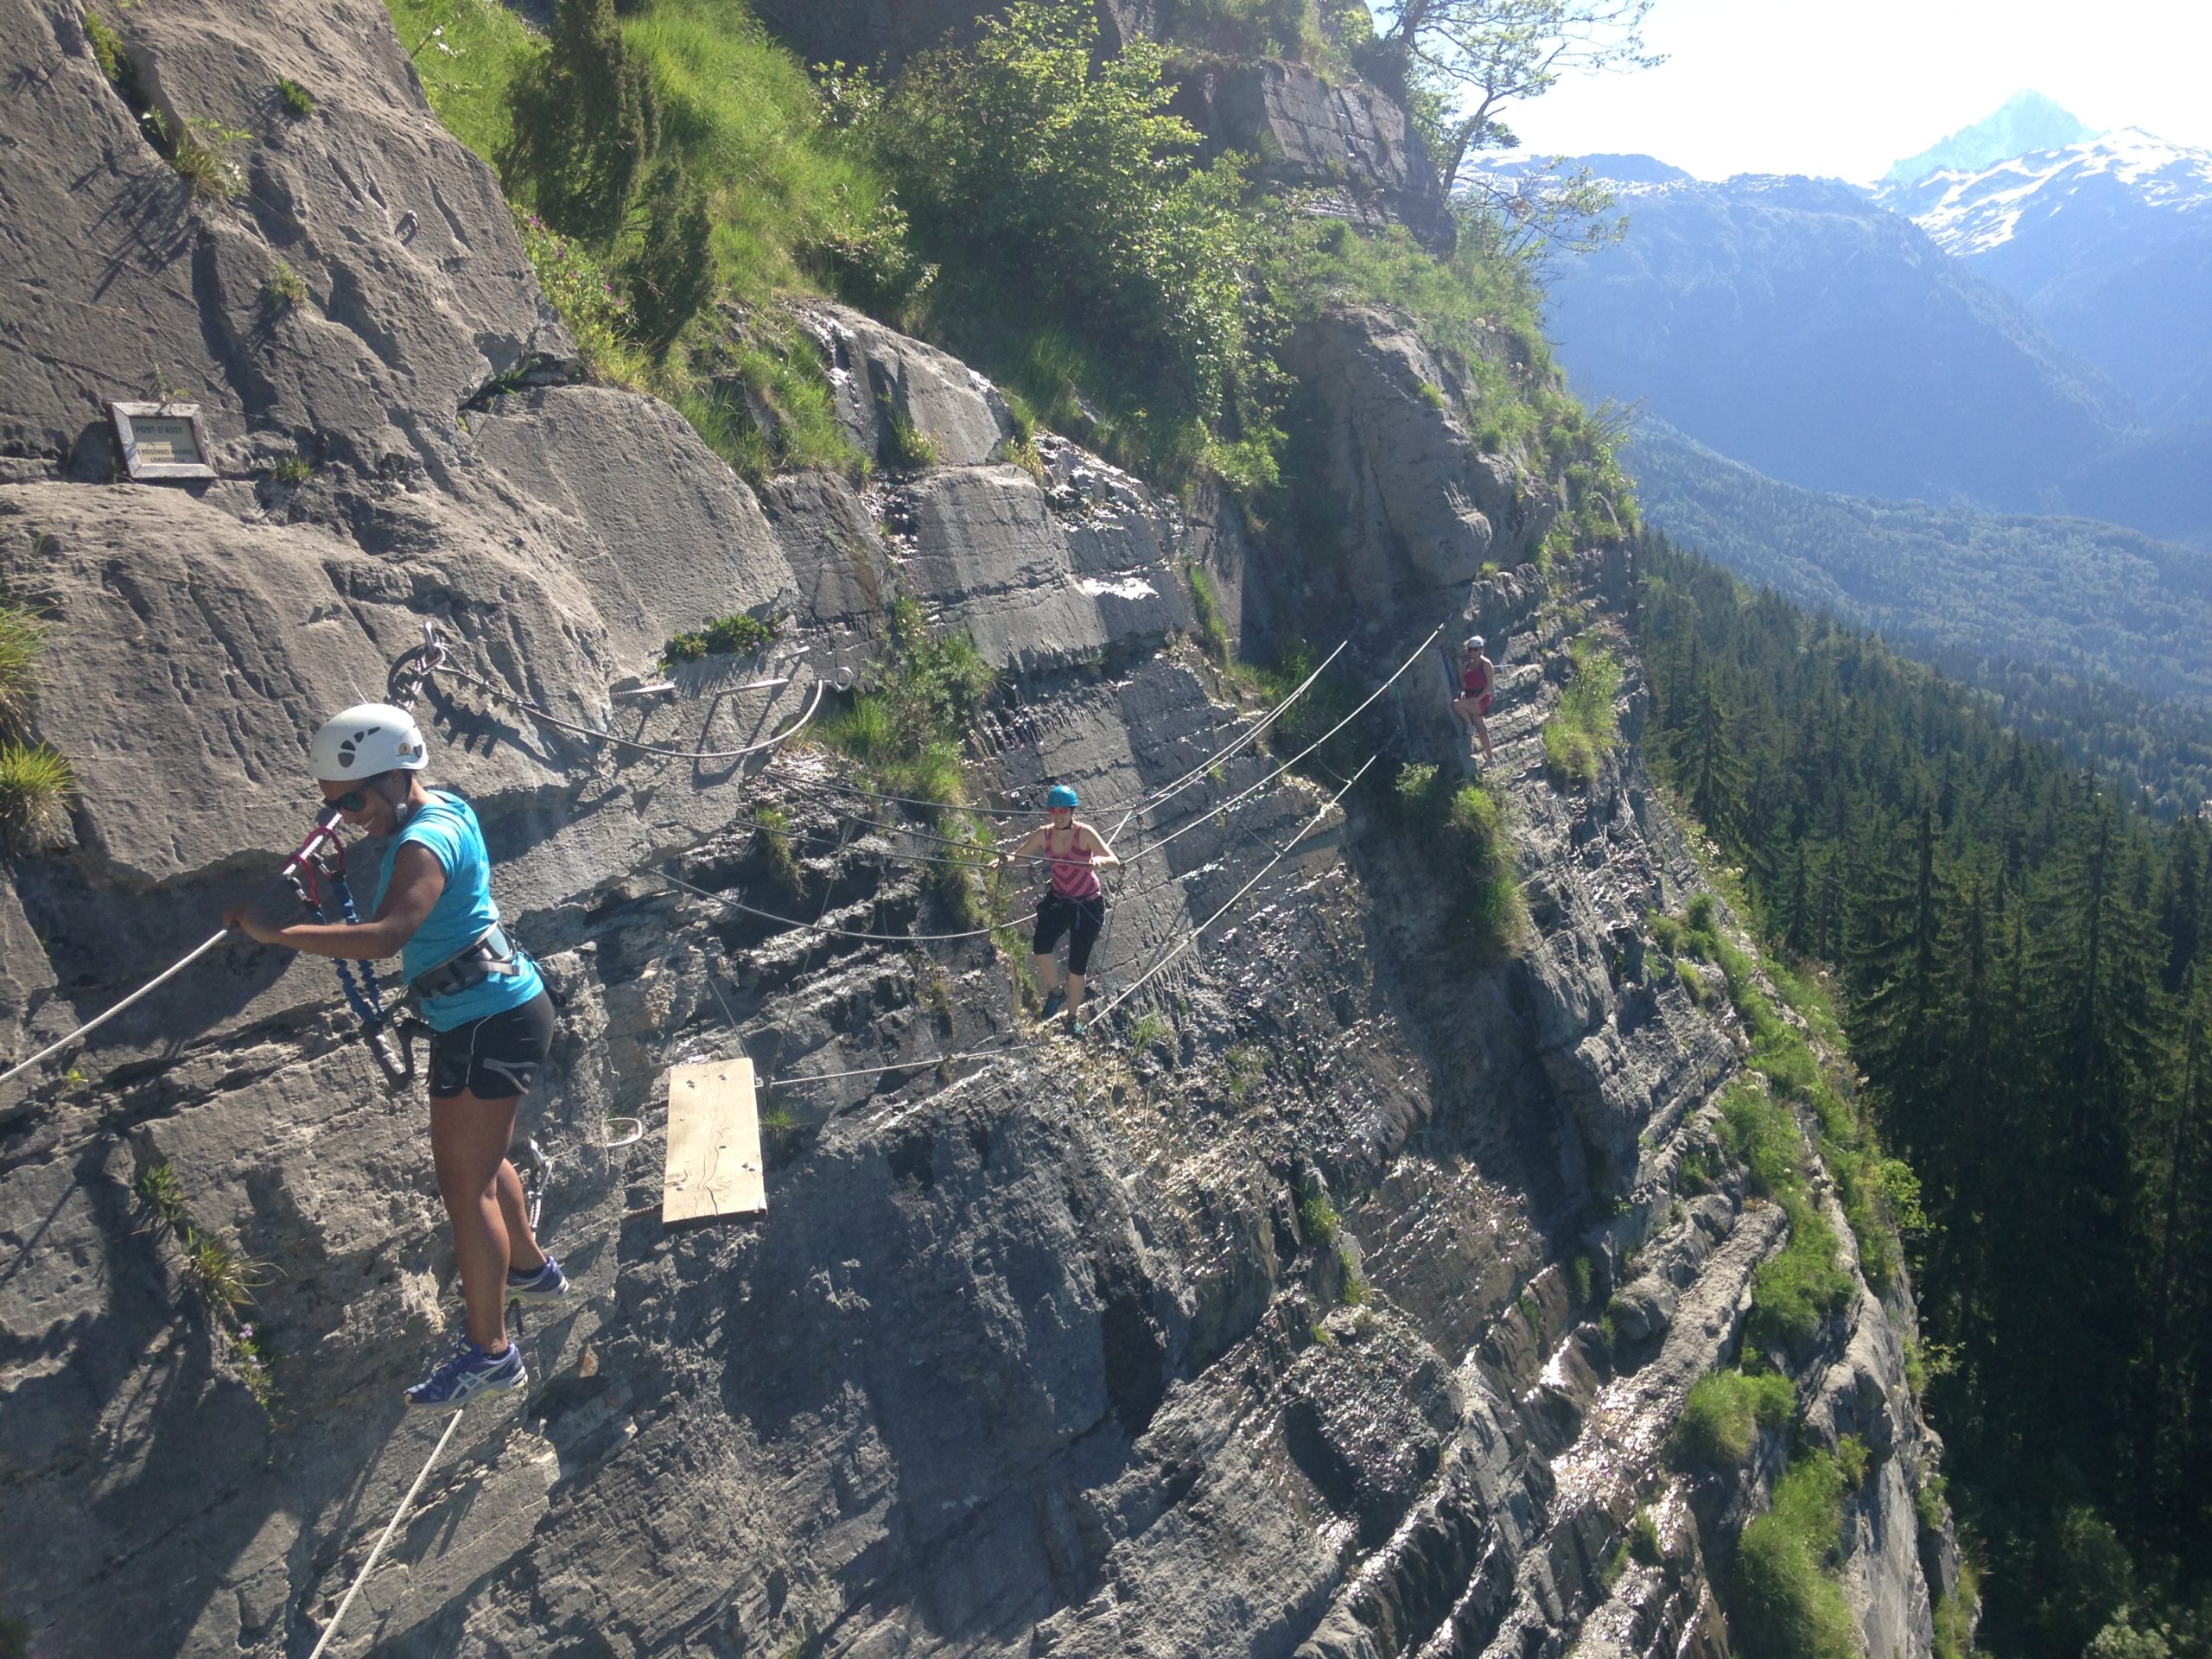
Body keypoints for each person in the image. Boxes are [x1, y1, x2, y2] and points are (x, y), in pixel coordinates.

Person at [223, 702, 563, 1411]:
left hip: (486, 1022)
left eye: (353, 801)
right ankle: (529, 1269)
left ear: (397, 778)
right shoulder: (441, 809)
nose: (347, 817)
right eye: (334, 807)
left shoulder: (424, 841)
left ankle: (490, 1353)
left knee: (462, 1187)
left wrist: (279, 931)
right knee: (483, 1158)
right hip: (487, 1011)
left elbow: (387, 936)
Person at [1001, 785, 1121, 1036]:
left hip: (1088, 905)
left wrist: (1099, 861)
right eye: (1053, 810)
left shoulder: (1084, 834)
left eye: (1063, 810)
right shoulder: (1044, 834)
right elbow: (1019, 857)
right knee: (1041, 947)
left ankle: (1072, 1018)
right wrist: (1002, 861)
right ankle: (1056, 993)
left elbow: (1114, 861)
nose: (1058, 815)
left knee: (1077, 966)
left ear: (1071, 811)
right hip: (1059, 900)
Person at [1452, 634, 1496, 766]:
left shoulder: (1486, 664)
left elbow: (1489, 684)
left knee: (1456, 704)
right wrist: (1460, 671)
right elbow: (1465, 685)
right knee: (1482, 729)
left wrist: (1478, 699)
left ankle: (1469, 725)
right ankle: (1491, 759)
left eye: (1475, 649)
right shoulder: (1467, 666)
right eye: (1470, 649)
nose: (1472, 652)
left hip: (1481, 699)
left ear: (1481, 649)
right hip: (1471, 698)